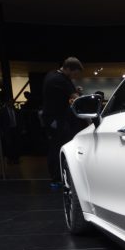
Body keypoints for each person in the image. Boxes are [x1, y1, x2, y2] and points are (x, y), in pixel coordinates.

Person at [42, 57, 83, 188]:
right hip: (56, 119)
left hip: (53, 118)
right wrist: (78, 96)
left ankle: (57, 178)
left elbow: (63, 95)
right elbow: (75, 98)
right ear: (67, 69)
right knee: (58, 148)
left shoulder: (52, 74)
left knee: (56, 147)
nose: (75, 77)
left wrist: (74, 92)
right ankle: (56, 179)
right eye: (74, 73)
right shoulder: (61, 79)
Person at [0, 92, 20, 165]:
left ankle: (16, 159)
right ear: (7, 102)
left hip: (15, 129)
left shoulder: (15, 110)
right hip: (7, 130)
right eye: (10, 102)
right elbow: (0, 122)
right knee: (9, 145)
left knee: (16, 144)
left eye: (12, 102)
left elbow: (19, 120)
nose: (12, 103)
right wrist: (1, 131)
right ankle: (10, 159)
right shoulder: (3, 110)